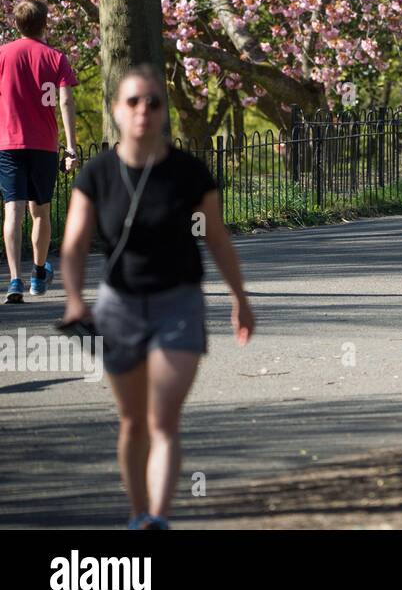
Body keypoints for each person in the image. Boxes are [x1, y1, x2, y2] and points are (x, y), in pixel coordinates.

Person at [59, 63, 255, 529]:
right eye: (133, 101)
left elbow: (217, 239)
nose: (143, 109)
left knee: (163, 419)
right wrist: (73, 298)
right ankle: (136, 512)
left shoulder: (188, 173)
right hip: (118, 307)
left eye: (153, 102)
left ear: (164, 112)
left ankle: (157, 521)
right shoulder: (97, 174)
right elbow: (73, 245)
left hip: (178, 304)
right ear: (116, 111)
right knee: (133, 421)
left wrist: (240, 297)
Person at [0, 0, 79, 303]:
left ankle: (14, 280)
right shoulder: (56, 58)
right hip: (44, 144)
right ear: (45, 23)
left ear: (16, 24)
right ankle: (36, 274)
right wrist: (70, 148)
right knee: (40, 211)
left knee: (13, 210)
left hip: (8, 143)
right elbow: (66, 101)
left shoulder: (3, 55)